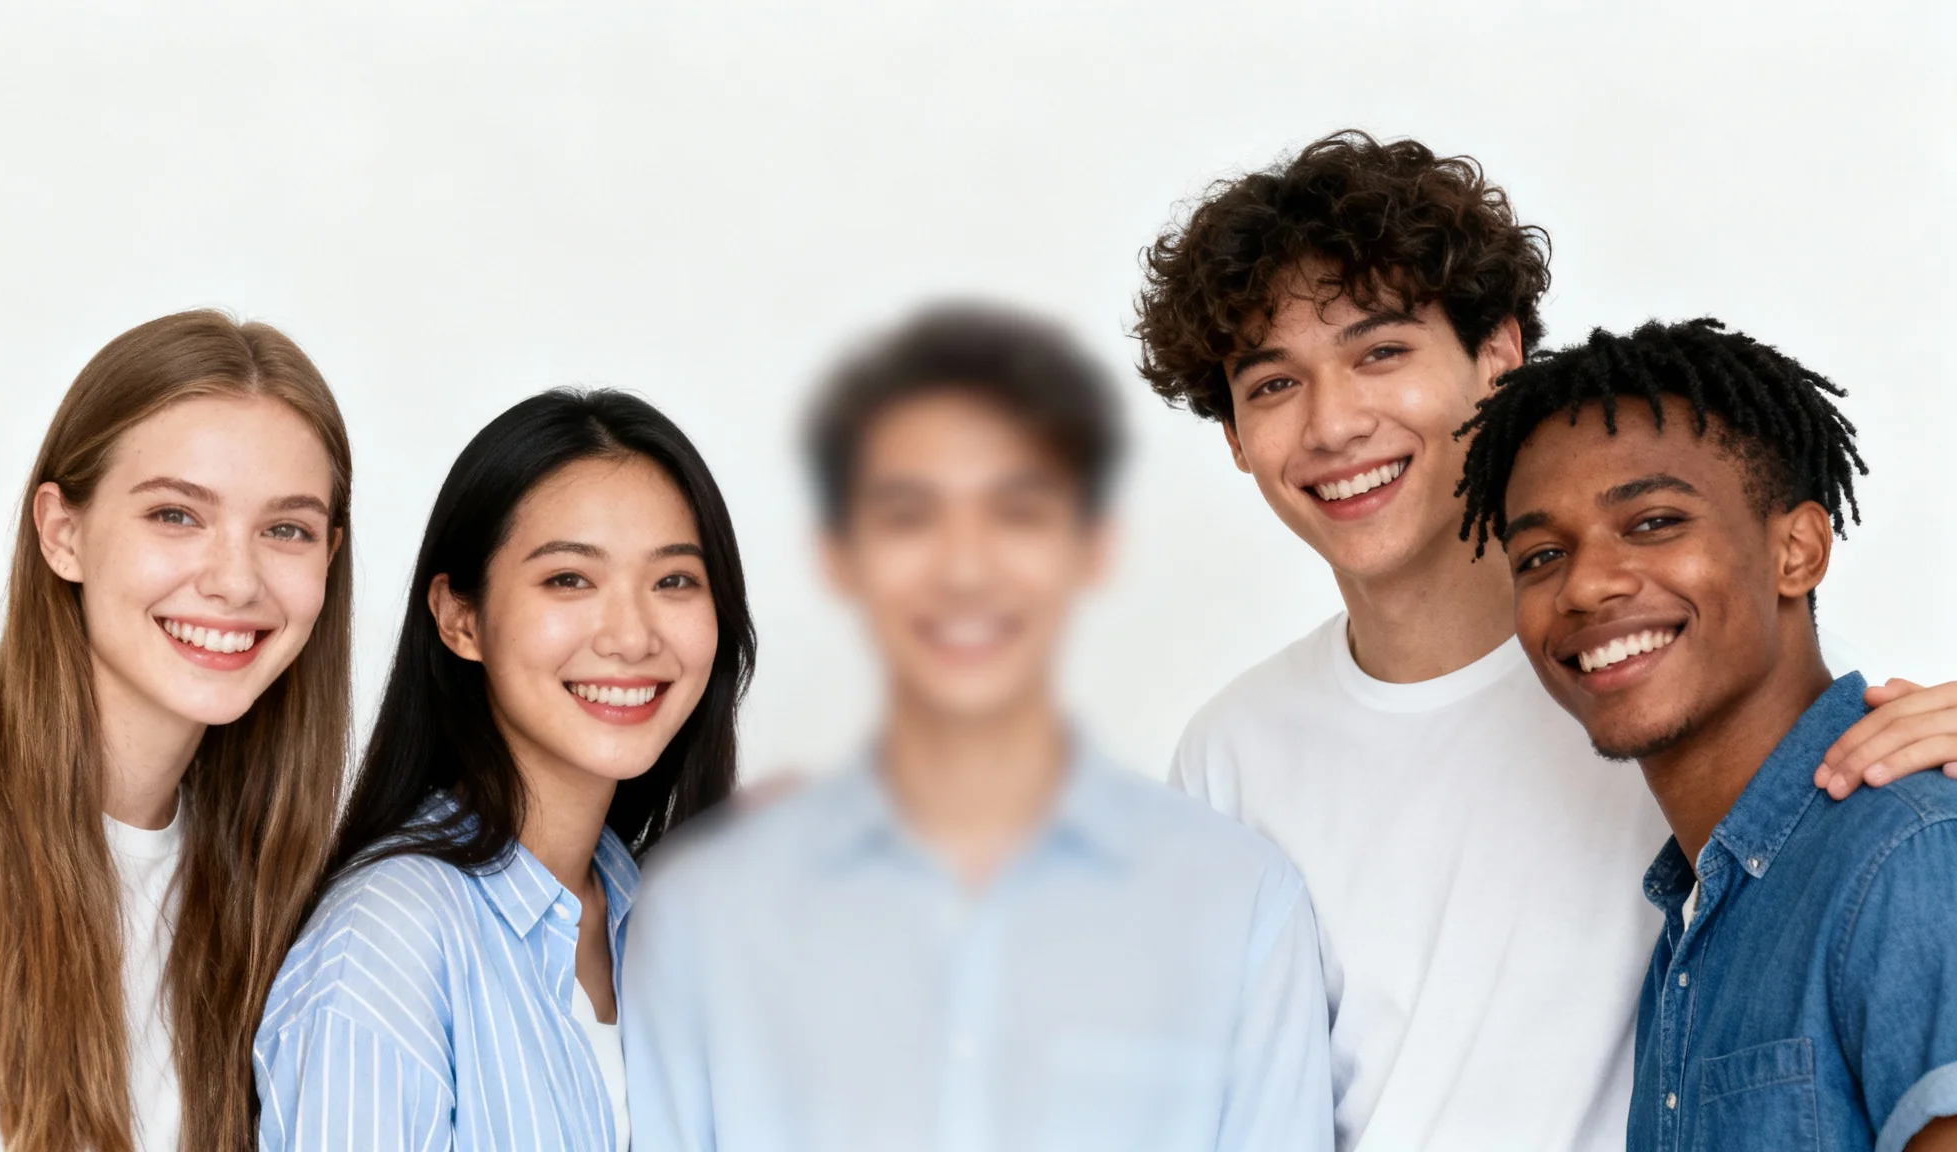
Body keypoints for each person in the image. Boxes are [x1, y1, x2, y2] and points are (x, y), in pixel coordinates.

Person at [1134, 130, 1957, 1150]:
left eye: (1379, 351)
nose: (1332, 423)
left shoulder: (1658, 672)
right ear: (1233, 440)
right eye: (1271, 385)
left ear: (1499, 356)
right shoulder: (1231, 755)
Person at [622, 303, 1334, 1152]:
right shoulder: (701, 911)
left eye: (1018, 512)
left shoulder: (1241, 905)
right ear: (840, 556)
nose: (964, 568)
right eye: (909, 515)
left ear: (1091, 547)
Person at [1456, 317, 1957, 1151]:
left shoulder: (1906, 850)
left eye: (1653, 522)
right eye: (1540, 556)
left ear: (1797, 550)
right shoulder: (1698, 915)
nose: (1584, 585)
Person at [254, 388, 755, 1149]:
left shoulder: (659, 919)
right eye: (568, 579)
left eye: (674, 581)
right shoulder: (391, 940)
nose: (631, 636)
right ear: (461, 618)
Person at [0, 311, 354, 1152]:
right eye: (176, 515)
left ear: (328, 558)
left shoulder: (273, 881)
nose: (234, 579)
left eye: (285, 529)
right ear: (62, 532)